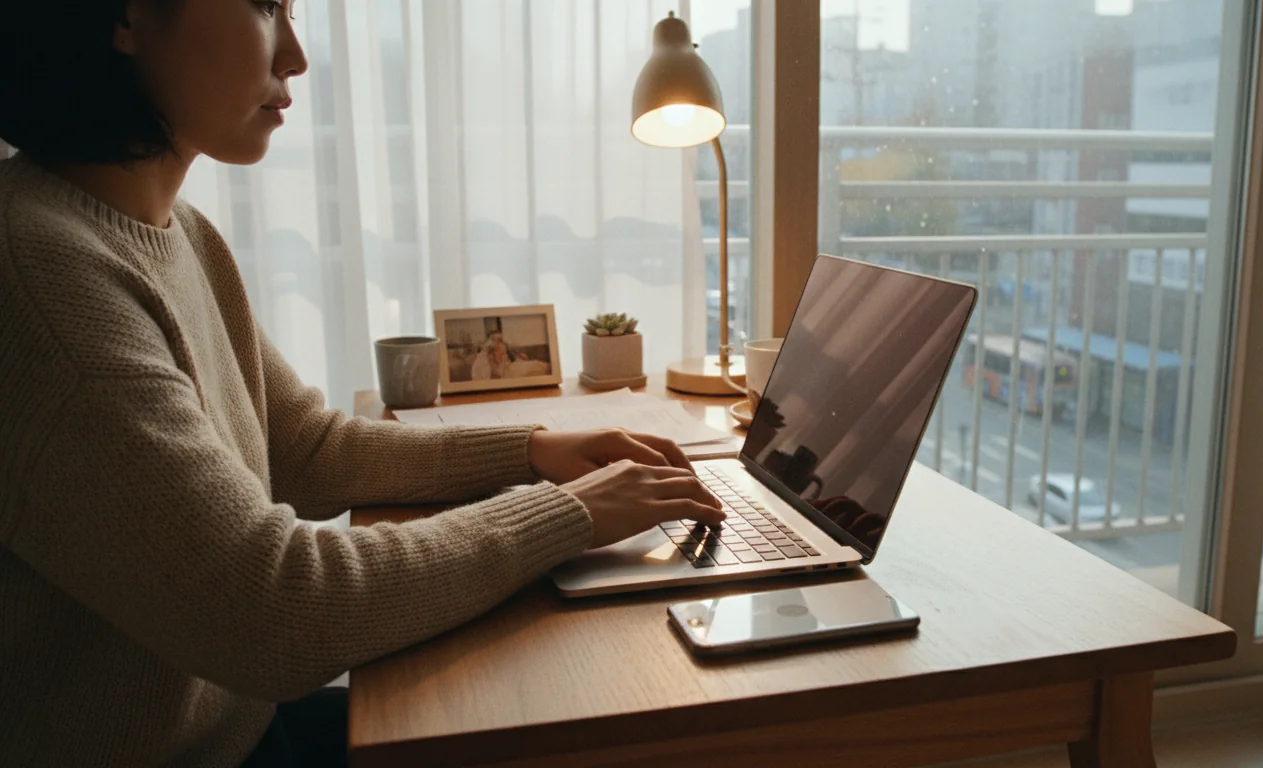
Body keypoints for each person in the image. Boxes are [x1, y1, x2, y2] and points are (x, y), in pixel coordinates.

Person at [0, 2, 725, 766]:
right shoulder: (41, 284)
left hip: (238, 731)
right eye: (263, 6)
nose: (296, 56)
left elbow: (305, 450)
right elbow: (275, 611)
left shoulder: (180, 234)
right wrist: (565, 515)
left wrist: (536, 450)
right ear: (129, 16)